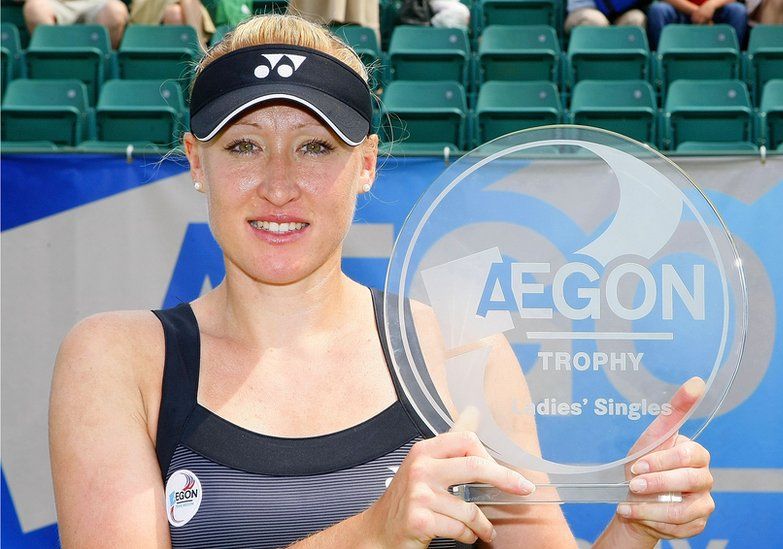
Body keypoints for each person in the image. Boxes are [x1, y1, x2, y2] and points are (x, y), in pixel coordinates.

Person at [49, 14, 716, 548]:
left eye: (316, 146)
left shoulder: (462, 354)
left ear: (366, 164)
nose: (279, 183)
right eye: (244, 145)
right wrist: (371, 530)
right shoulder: (120, 360)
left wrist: (637, 524)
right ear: (197, 161)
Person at [21, 0, 128, 48]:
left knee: (115, 11)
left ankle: (103, 63)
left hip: (98, 2)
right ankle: (52, 62)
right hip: (55, 2)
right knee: (35, 9)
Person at [647, 0, 748, 50]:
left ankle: (732, 62)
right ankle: (661, 64)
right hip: (680, 11)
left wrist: (711, 5)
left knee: (738, 10)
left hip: (715, 11)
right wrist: (698, 12)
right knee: (658, 10)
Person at [565, 0, 649, 35]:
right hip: (584, 9)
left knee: (635, 19)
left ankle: (621, 66)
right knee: (595, 21)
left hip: (622, 12)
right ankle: (593, 69)